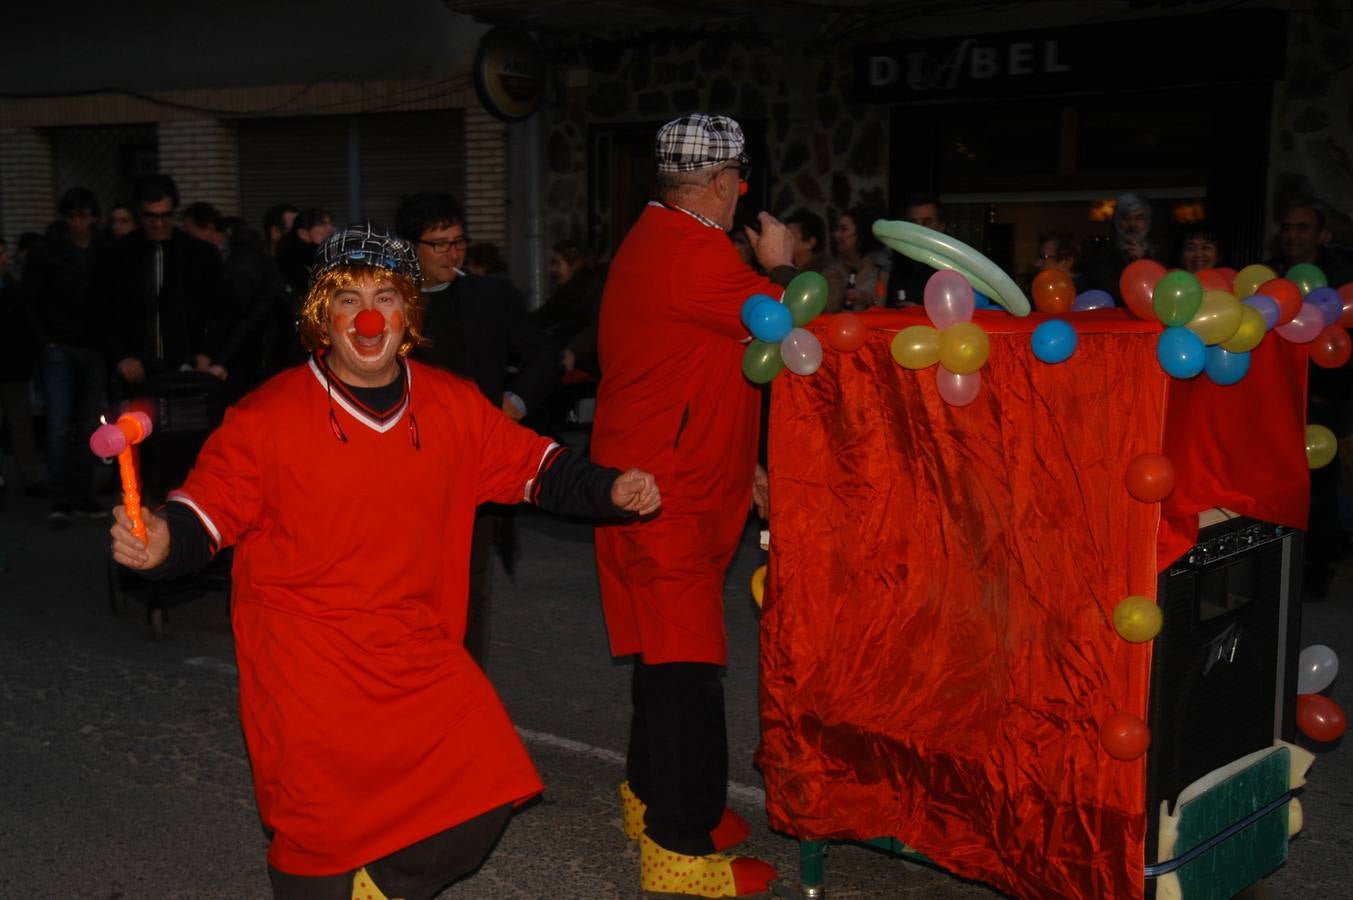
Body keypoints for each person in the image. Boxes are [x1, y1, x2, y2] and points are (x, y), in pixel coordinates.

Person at [108, 225, 661, 900]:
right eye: (347, 301)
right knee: (319, 837)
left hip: (419, 653)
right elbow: (209, 507)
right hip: (306, 663)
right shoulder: (267, 416)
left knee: (488, 786)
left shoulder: (452, 404)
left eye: (385, 298)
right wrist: (165, 540)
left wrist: (609, 488)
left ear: (407, 315)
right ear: (323, 318)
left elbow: (536, 468)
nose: (368, 318)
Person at [591, 111, 797, 897]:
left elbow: (704, 363)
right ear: (719, 183)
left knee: (662, 654)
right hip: (664, 493)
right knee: (687, 670)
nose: (742, 192)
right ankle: (678, 846)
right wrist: (776, 267)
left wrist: (745, 462)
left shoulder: (658, 239)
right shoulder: (694, 253)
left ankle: (651, 802)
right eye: (738, 180)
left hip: (668, 478)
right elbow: (780, 327)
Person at [394, 191, 559, 669]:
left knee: (469, 584)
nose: (453, 253)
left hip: (473, 470)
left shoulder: (491, 297)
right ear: (410, 248)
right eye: (439, 244)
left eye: (459, 242)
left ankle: (464, 688)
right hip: (400, 470)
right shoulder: (384, 300)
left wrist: (513, 403)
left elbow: (543, 355)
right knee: (405, 584)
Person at [22, 186, 109, 524]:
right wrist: (46, 342)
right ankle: (63, 496)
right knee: (59, 424)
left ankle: (81, 494)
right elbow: (30, 302)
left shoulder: (101, 250)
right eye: (73, 217)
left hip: (92, 346)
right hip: (61, 346)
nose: (78, 223)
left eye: (84, 216)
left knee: (86, 424)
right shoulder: (48, 252)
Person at [181, 201, 291, 397]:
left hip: (248, 359)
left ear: (208, 227)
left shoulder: (238, 264)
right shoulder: (233, 257)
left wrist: (220, 360)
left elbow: (242, 317)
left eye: (190, 233)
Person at [0, 237, 48, 496]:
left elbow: (23, 326)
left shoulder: (13, 289)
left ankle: (31, 476)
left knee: (21, 423)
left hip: (11, 367)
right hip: (12, 364)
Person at [1081, 192, 1162, 304]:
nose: (1132, 225)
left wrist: (1144, 261)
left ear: (1148, 222)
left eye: (1139, 218)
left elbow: (1162, 294)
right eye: (1126, 218)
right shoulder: (1100, 256)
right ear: (1116, 221)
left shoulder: (1161, 254)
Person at [885, 194, 947, 308]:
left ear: (941, 226)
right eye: (913, 223)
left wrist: (919, 311)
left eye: (927, 222)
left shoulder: (952, 266)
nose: (918, 229)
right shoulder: (897, 261)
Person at [784, 208, 847, 312]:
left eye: (789, 237)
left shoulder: (827, 276)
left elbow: (828, 311)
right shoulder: (787, 269)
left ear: (810, 242)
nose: (783, 241)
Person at [832, 204, 889, 310]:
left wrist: (867, 299)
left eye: (843, 230)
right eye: (837, 229)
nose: (836, 234)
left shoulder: (879, 271)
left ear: (860, 234)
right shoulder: (833, 269)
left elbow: (883, 305)